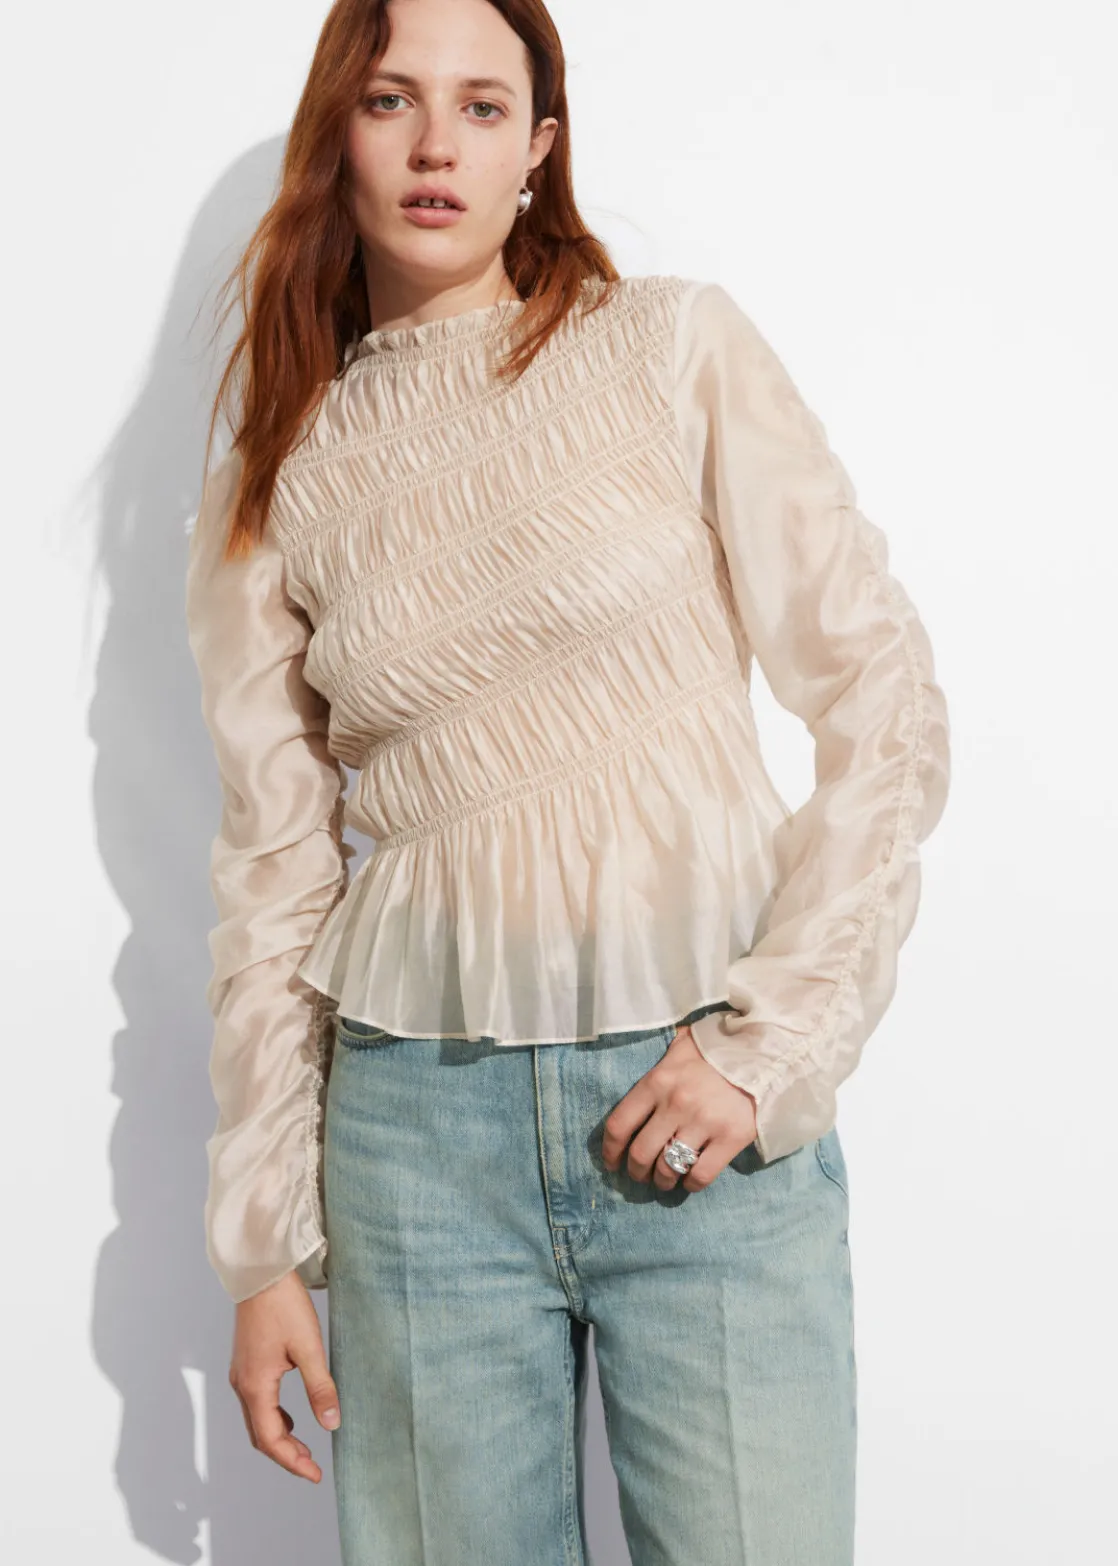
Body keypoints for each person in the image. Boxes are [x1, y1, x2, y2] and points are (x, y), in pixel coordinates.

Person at [184, 0, 951, 1560]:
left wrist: (772, 1042)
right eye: (390, 101)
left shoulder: (671, 346)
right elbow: (275, 866)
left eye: (481, 107)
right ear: (338, 134)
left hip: (699, 1108)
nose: (434, 144)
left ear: (538, 147)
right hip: (413, 1145)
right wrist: (262, 1247)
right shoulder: (274, 473)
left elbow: (880, 695)